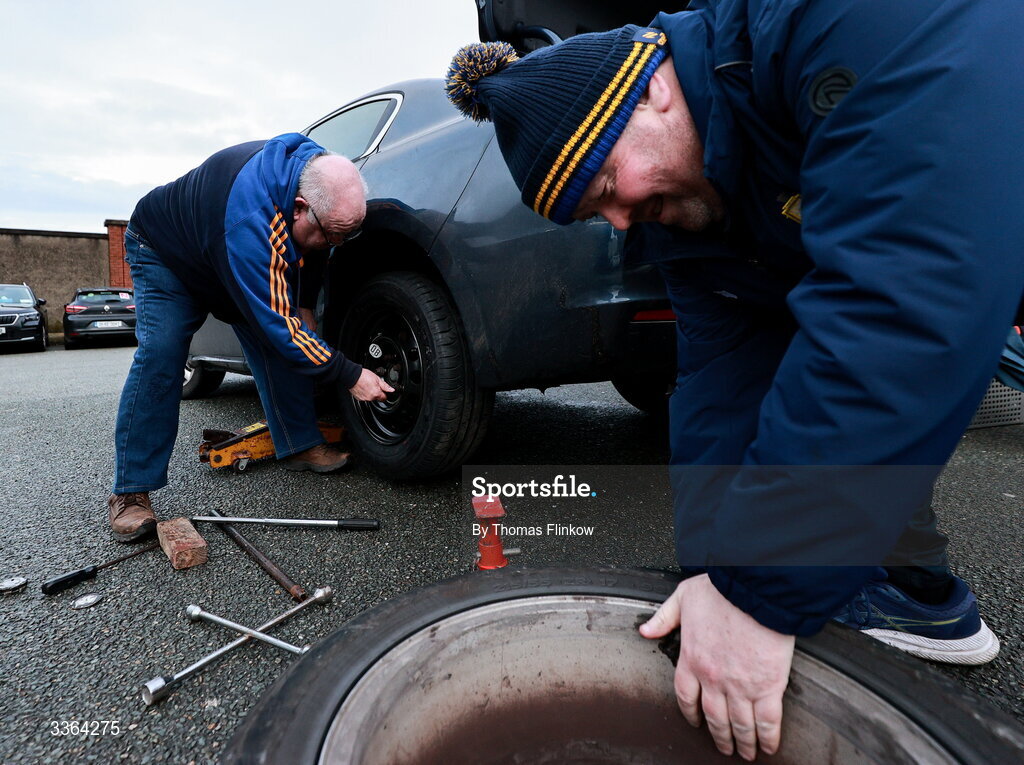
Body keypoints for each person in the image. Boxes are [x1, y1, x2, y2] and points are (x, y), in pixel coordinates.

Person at [445, 1, 1022, 759]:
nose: (622, 223)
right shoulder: (687, 210)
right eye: (599, 214)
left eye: (609, 182)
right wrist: (713, 575)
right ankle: (917, 598)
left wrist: (759, 589)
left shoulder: (836, 19)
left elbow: (906, 296)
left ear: (649, 88)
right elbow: (723, 378)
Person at [109, 134, 394, 543]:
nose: (335, 245)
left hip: (219, 247)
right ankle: (130, 491)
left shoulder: (314, 178)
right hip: (166, 254)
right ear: (299, 209)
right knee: (163, 353)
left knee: (284, 335)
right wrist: (351, 375)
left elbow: (315, 253)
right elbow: (282, 327)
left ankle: (298, 444)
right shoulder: (252, 221)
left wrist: (307, 307)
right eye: (331, 234)